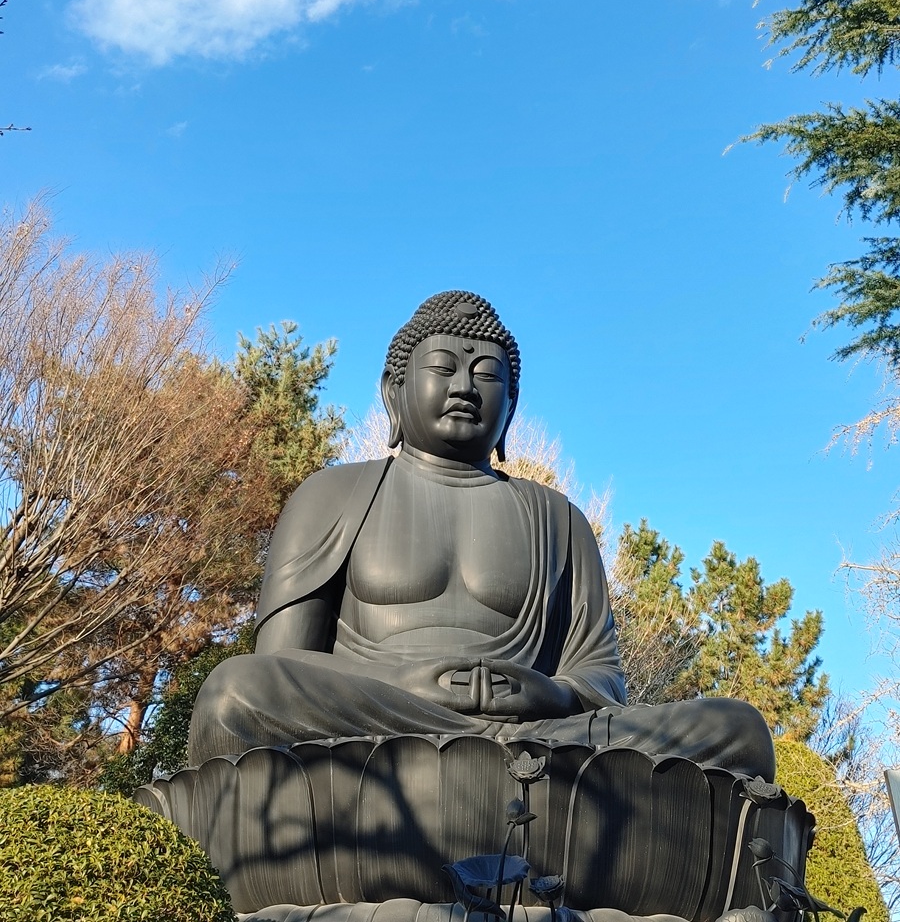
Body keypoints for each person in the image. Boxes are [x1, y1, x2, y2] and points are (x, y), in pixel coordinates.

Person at [188, 291, 775, 781]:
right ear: (394, 391)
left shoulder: (558, 518)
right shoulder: (332, 495)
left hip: (537, 735)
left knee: (736, 731)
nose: (465, 386)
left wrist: (551, 694)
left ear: (510, 406)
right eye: (443, 368)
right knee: (235, 693)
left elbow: (601, 678)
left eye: (487, 374)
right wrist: (402, 683)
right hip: (379, 721)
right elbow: (281, 660)